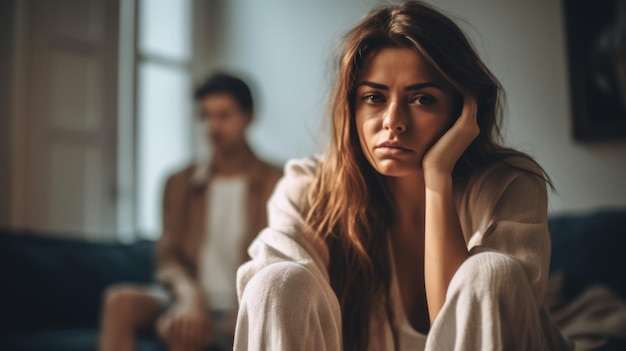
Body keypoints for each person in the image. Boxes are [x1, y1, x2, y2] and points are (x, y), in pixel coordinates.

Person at [234, 2, 573, 350]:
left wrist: (438, 179)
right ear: (351, 108)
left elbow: (459, 331)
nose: (393, 121)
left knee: (490, 272)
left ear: (461, 110)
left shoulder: (510, 184)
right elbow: (275, 300)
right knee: (275, 282)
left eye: (422, 99)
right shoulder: (308, 189)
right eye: (375, 97)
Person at [99, 73, 282, 351]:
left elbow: (283, 257)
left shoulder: (278, 181)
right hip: (187, 299)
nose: (213, 127)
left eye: (224, 115)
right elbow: (168, 256)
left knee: (183, 333)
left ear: (248, 117)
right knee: (119, 301)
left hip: (246, 301)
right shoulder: (179, 183)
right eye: (206, 116)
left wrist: (248, 304)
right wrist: (189, 297)